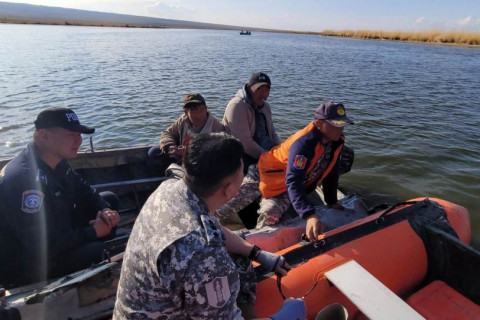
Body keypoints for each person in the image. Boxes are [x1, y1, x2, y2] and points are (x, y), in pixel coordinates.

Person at [114, 133, 306, 320]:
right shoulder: (205, 255)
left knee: (240, 258)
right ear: (229, 189)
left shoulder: (170, 190)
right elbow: (202, 244)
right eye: (243, 171)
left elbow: (211, 227)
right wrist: (286, 314)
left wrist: (256, 253)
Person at [0, 108, 120, 288]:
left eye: (79, 134)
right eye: (71, 134)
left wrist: (105, 210)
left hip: (54, 231)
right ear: (44, 136)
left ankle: (94, 238)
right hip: (28, 261)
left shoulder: (54, 158)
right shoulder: (23, 180)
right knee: (98, 252)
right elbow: (42, 246)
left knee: (109, 200)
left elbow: (82, 188)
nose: (78, 140)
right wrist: (93, 232)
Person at [216, 101, 354, 241]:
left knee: (270, 214)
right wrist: (309, 214)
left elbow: (331, 173)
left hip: (284, 187)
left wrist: (331, 201)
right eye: (335, 125)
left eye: (342, 125)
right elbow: (294, 181)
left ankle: (258, 244)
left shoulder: (336, 143)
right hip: (264, 174)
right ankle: (205, 223)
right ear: (319, 124)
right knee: (229, 203)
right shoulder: (303, 144)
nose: (340, 129)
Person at [148, 93, 224, 170]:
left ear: (206, 109)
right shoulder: (183, 121)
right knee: (153, 152)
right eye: (192, 111)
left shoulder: (215, 127)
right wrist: (169, 145)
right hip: (182, 157)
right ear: (186, 113)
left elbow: (219, 152)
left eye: (201, 110)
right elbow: (167, 133)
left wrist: (189, 153)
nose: (198, 115)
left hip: (201, 162)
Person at [223, 72, 281, 171]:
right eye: (259, 89)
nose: (263, 93)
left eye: (267, 89)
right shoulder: (237, 106)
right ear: (250, 88)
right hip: (240, 155)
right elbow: (245, 144)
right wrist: (269, 158)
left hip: (262, 150)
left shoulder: (265, 107)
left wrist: (280, 150)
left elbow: (272, 133)